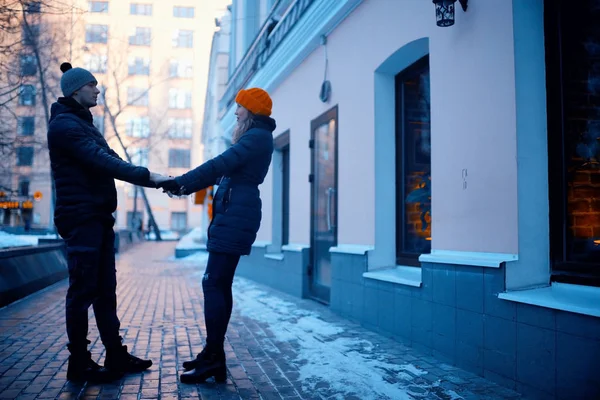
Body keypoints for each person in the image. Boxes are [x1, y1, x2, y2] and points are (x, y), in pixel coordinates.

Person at [47, 62, 174, 383]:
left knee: (106, 290)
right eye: (92, 85)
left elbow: (113, 160)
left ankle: (115, 355)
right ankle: (79, 362)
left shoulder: (84, 125)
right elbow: (103, 162)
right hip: (81, 218)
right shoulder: (64, 126)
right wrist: (153, 178)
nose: (97, 89)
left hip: (98, 217)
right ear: (76, 90)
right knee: (83, 291)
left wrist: (154, 178)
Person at [159, 88, 275, 384]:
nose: (236, 112)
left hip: (236, 216)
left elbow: (219, 165)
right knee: (219, 285)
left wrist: (180, 182)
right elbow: (217, 173)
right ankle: (214, 357)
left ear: (251, 111)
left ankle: (213, 357)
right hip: (234, 215)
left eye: (240, 107)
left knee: (213, 284)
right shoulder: (254, 138)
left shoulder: (256, 137)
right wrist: (182, 186)